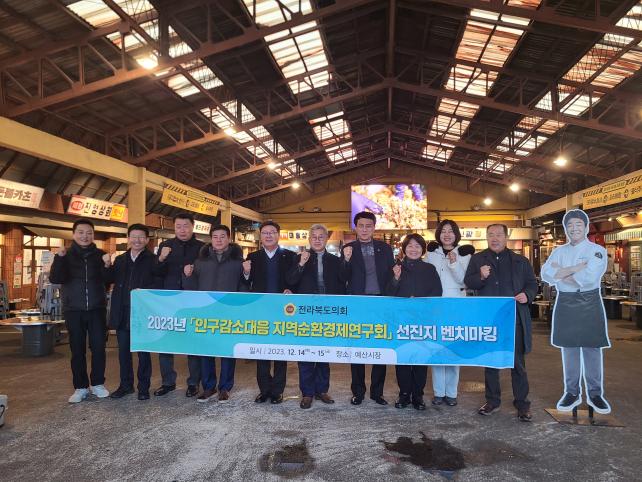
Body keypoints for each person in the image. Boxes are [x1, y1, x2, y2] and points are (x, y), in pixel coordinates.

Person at [464, 224, 537, 422]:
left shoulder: (520, 261)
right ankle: (492, 401)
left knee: (517, 363)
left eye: (498, 235)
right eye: (490, 235)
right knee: (490, 361)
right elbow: (469, 282)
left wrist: (527, 294)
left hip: (514, 318)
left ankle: (522, 404)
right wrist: (480, 276)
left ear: (506, 237)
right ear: (486, 237)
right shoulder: (478, 259)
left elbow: (532, 283)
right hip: (489, 319)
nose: (494, 238)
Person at [540, 209, 611, 414]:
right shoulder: (559, 251)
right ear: (565, 229)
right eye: (569, 225)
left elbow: (589, 278)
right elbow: (546, 273)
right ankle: (571, 392)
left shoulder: (596, 250)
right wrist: (576, 268)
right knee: (569, 348)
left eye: (578, 225)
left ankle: (595, 394)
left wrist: (561, 273)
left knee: (592, 348)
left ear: (586, 227)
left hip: (589, 301)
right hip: (566, 301)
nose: (574, 229)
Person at [286, 224, 347, 409]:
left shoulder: (335, 260)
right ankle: (307, 393)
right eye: (314, 237)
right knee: (306, 353)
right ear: (309, 239)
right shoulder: (299, 258)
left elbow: (343, 282)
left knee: (323, 352)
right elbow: (290, 280)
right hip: (305, 313)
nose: (318, 240)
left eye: (321, 237)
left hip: (327, 313)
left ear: (326, 239)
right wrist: (301, 264)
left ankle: (322, 390)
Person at [49, 219, 110, 403]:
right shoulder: (65, 255)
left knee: (99, 348)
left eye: (89, 232)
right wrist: (59, 258)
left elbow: (108, 281)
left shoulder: (101, 255)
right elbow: (55, 278)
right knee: (77, 349)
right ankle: (80, 387)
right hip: (73, 309)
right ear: (74, 234)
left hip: (97, 309)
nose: (85, 236)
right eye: (81, 232)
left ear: (93, 235)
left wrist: (107, 265)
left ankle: (98, 384)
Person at [183, 225, 245, 403]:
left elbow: (244, 286)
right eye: (215, 236)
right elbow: (191, 289)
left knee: (227, 352)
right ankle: (208, 387)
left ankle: (225, 388)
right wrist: (187, 275)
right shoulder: (200, 262)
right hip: (206, 313)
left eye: (222, 236)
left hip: (229, 313)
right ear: (211, 239)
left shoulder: (238, 262)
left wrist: (247, 274)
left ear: (229, 238)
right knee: (206, 351)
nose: (219, 240)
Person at [342, 211, 395, 406]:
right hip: (358, 304)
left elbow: (391, 275)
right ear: (355, 228)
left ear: (374, 228)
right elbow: (342, 276)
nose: (364, 229)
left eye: (368, 226)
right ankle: (358, 392)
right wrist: (346, 260)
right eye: (361, 226)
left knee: (379, 348)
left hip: (381, 303)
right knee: (357, 349)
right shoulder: (348, 248)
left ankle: (377, 392)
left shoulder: (385, 249)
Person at [105, 224, 161, 401]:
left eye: (141, 237)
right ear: (128, 238)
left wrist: (144, 291)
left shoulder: (153, 260)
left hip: (142, 313)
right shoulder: (120, 260)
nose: (137, 240)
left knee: (143, 352)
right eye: (134, 236)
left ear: (147, 239)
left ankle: (143, 387)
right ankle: (126, 385)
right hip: (122, 312)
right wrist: (106, 266)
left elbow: (159, 284)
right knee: (123, 352)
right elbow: (109, 280)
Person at [386, 233, 442, 410]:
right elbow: (388, 294)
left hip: (422, 321)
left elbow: (437, 293)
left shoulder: (429, 269)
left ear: (422, 250)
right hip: (401, 321)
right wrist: (395, 279)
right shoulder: (396, 267)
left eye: (417, 246)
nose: (413, 249)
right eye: (410, 246)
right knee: (403, 358)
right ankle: (404, 394)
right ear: (404, 249)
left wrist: (420, 302)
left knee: (420, 358)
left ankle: (418, 395)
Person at [243, 221, 297, 404]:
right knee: (262, 351)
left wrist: (291, 290)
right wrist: (246, 273)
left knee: (280, 351)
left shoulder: (290, 256)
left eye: (272, 232)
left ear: (278, 235)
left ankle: (277, 391)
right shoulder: (253, 257)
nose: (268, 235)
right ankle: (264, 390)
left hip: (283, 311)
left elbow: (295, 279)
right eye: (265, 232)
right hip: (261, 310)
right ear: (260, 236)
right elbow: (246, 282)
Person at [152, 212, 205, 398]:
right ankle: (168, 382)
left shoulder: (202, 248)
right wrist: (160, 259)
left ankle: (193, 383)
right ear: (174, 228)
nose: (182, 230)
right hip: (169, 300)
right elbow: (156, 273)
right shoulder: (165, 246)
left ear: (192, 227)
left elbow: (206, 273)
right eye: (178, 226)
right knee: (166, 342)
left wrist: (194, 273)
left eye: (186, 226)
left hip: (193, 301)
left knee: (193, 342)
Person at [425, 220, 473, 407]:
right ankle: (438, 392)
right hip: (435, 307)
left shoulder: (465, 254)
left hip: (455, 307)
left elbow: (464, 282)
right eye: (443, 231)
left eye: (450, 231)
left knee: (453, 350)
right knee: (437, 350)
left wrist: (454, 263)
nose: (446, 234)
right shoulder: (431, 253)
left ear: (456, 234)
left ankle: (451, 393)